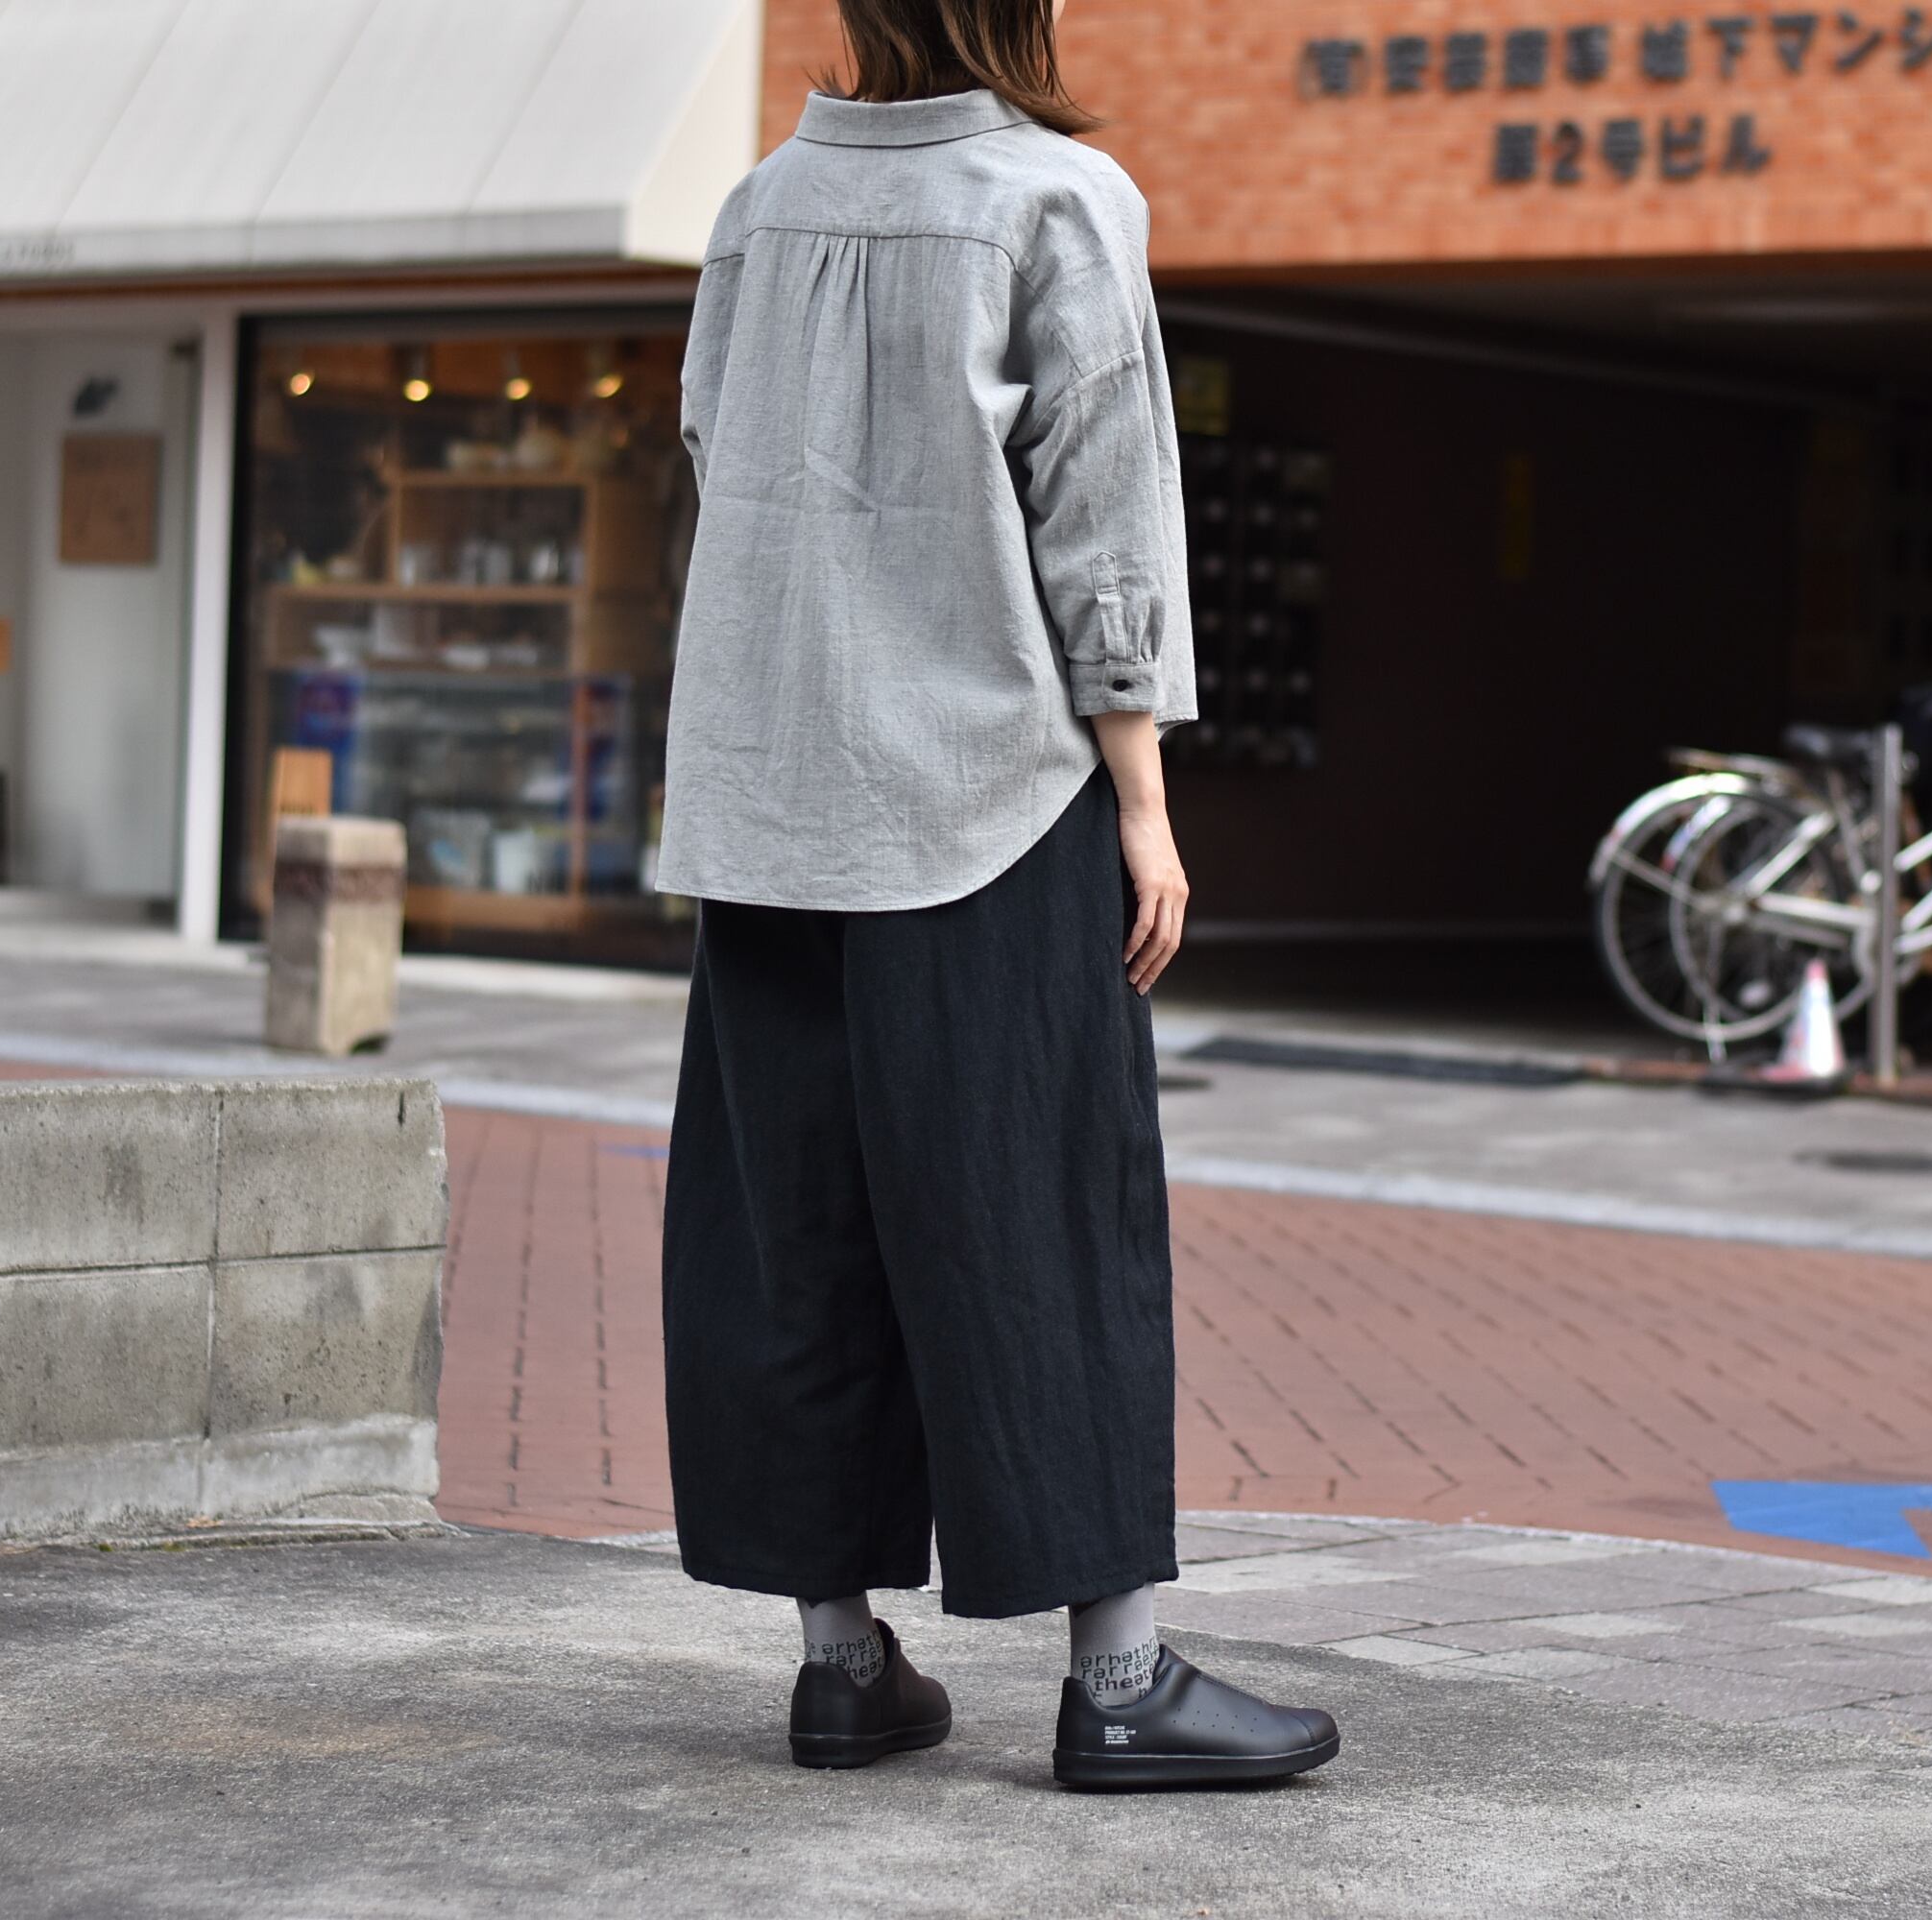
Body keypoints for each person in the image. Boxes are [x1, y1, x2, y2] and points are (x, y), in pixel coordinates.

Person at [654, 0, 1339, 1792]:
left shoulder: (757, 209)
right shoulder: (1053, 199)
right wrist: (1146, 802)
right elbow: (1105, 516)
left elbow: (721, 455)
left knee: (792, 1232)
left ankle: (839, 1666)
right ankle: (1117, 1681)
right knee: (1044, 1220)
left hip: (767, 799)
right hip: (982, 797)